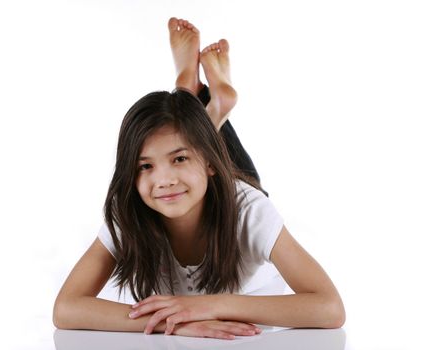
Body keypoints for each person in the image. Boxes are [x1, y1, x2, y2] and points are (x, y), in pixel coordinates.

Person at [53, 18, 345, 340]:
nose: (163, 180)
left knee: (235, 182)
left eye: (178, 159)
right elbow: (66, 309)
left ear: (208, 163)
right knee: (191, 141)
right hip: (205, 170)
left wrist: (208, 306)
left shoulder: (249, 209)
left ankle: (193, 95)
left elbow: (330, 308)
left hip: (225, 195)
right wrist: (175, 322)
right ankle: (205, 102)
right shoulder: (130, 211)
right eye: (144, 167)